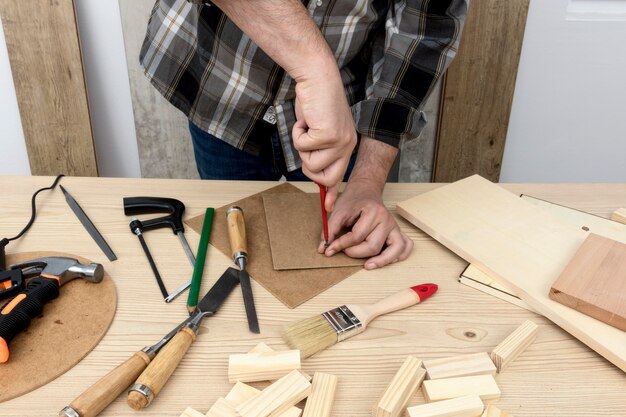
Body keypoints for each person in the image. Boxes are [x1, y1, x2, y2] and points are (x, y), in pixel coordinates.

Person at [140, 0, 467, 269]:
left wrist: (367, 181)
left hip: (341, 115)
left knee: (343, 234)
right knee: (238, 254)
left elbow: (425, 28)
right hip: (222, 82)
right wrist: (316, 71)